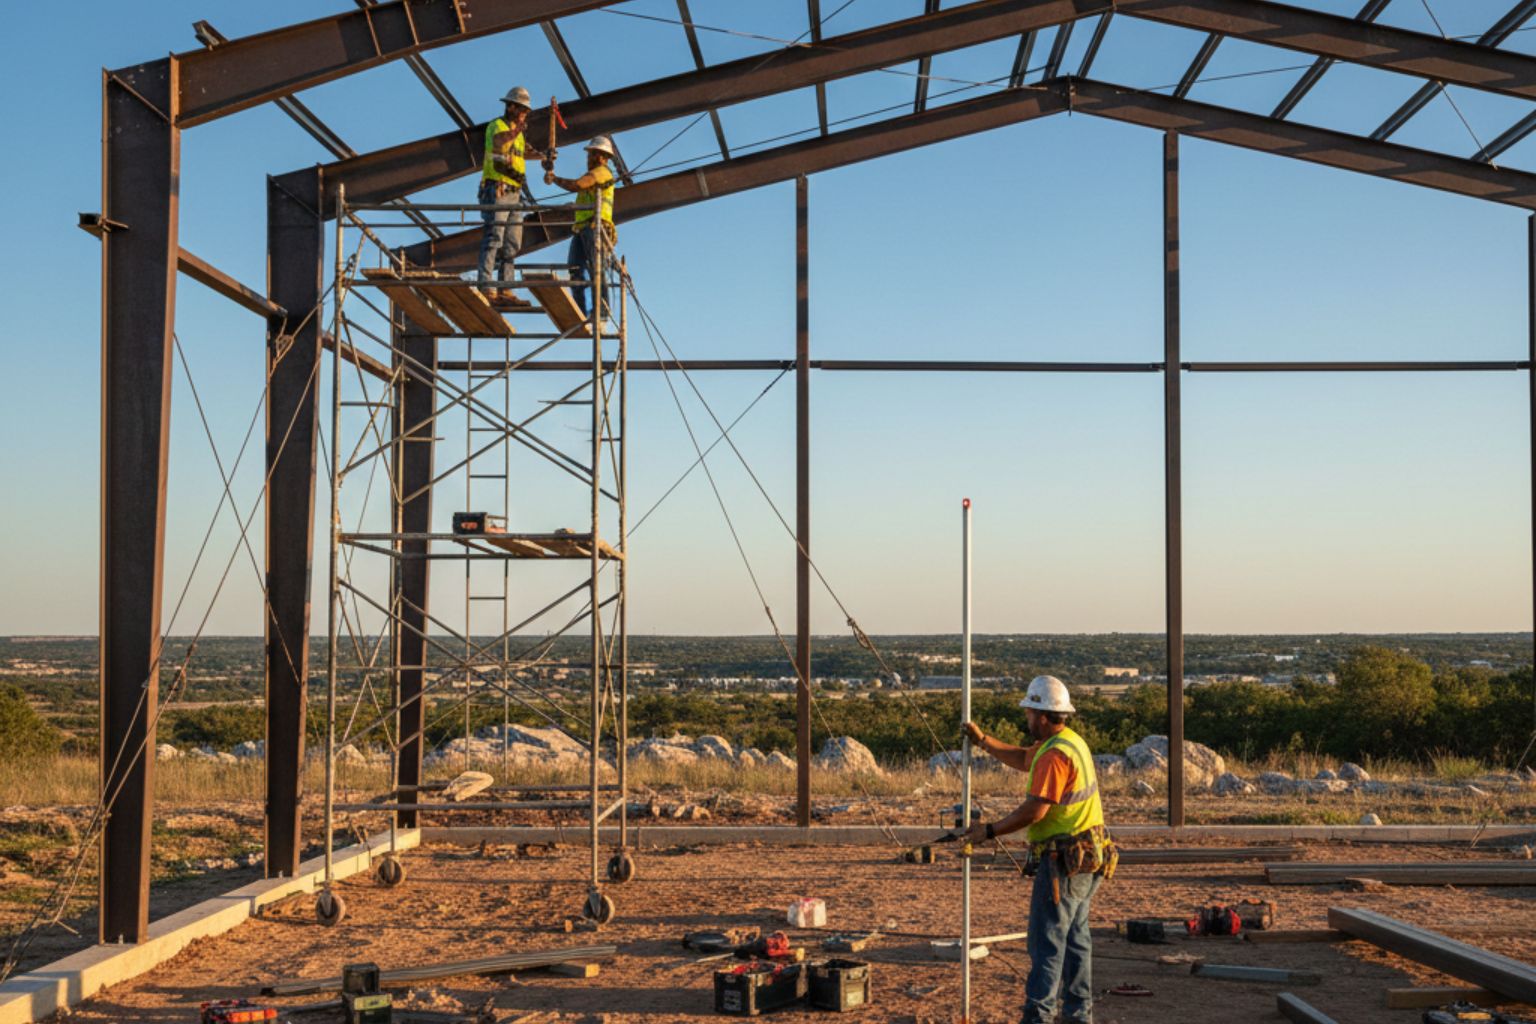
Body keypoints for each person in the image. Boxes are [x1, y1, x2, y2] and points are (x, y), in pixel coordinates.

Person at [963, 675, 1114, 1024]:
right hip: (1087, 858)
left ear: (1043, 715)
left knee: (1046, 946)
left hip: (1063, 862)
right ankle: (1079, 1016)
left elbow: (1035, 810)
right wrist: (984, 741)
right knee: (1077, 943)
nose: (1026, 718)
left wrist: (988, 831)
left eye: (1030, 712)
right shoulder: (1067, 742)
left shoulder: (1055, 756)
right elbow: (1022, 757)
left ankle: (1038, 1017)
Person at [478, 85, 547, 309]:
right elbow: (498, 150)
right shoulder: (496, 127)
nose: (525, 115)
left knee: (511, 243)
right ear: (511, 107)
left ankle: (505, 288)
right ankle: (486, 286)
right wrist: (517, 131)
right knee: (494, 237)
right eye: (522, 110)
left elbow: (523, 151)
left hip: (514, 192)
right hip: (497, 188)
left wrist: (544, 157)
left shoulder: (518, 135)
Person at [545, 136, 617, 318]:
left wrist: (554, 179)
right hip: (583, 228)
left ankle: (602, 311)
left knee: (596, 269)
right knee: (575, 268)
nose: (588, 158)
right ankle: (580, 311)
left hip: (596, 227)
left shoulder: (602, 172)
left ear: (601, 156)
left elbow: (577, 185)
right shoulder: (595, 174)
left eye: (591, 154)